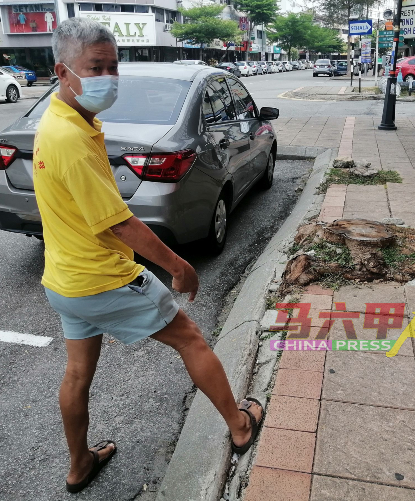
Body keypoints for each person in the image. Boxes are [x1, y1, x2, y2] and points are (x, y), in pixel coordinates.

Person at [33, 17, 263, 494]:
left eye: (114, 66)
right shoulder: (71, 140)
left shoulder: (58, 120)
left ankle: (79, 466)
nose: (108, 77)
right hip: (103, 278)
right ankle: (241, 426)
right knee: (192, 340)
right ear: (62, 71)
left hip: (65, 282)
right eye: (96, 67)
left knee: (77, 372)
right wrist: (179, 266)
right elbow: (118, 222)